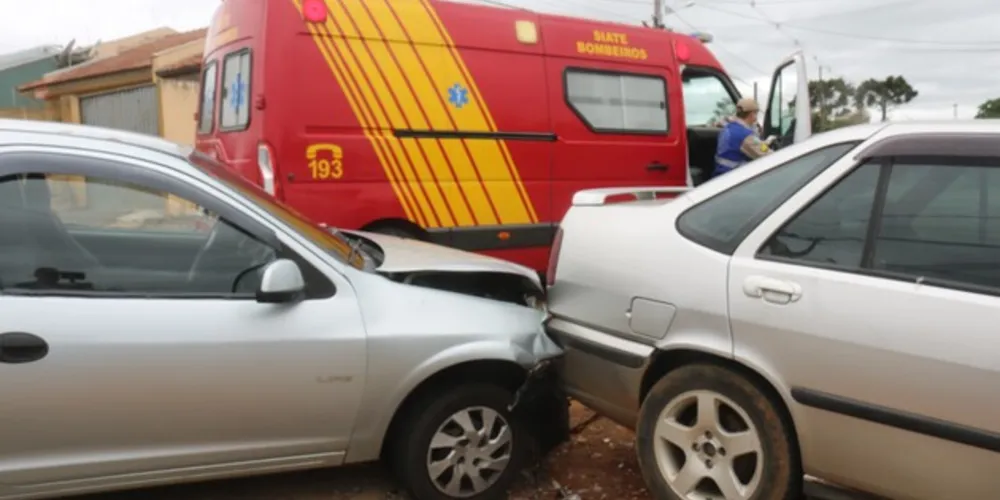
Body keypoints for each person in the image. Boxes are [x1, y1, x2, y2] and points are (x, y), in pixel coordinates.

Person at [712, 97, 775, 178]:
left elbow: (754, 145)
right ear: (752, 114)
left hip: (720, 174)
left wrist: (767, 141)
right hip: (734, 179)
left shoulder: (728, 127)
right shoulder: (745, 136)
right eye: (756, 113)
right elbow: (768, 155)